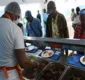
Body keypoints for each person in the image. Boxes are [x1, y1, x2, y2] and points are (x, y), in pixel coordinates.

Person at [0, 2, 37, 80]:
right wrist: (36, 65)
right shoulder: (15, 29)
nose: (17, 19)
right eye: (18, 17)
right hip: (9, 75)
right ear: (15, 15)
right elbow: (23, 62)